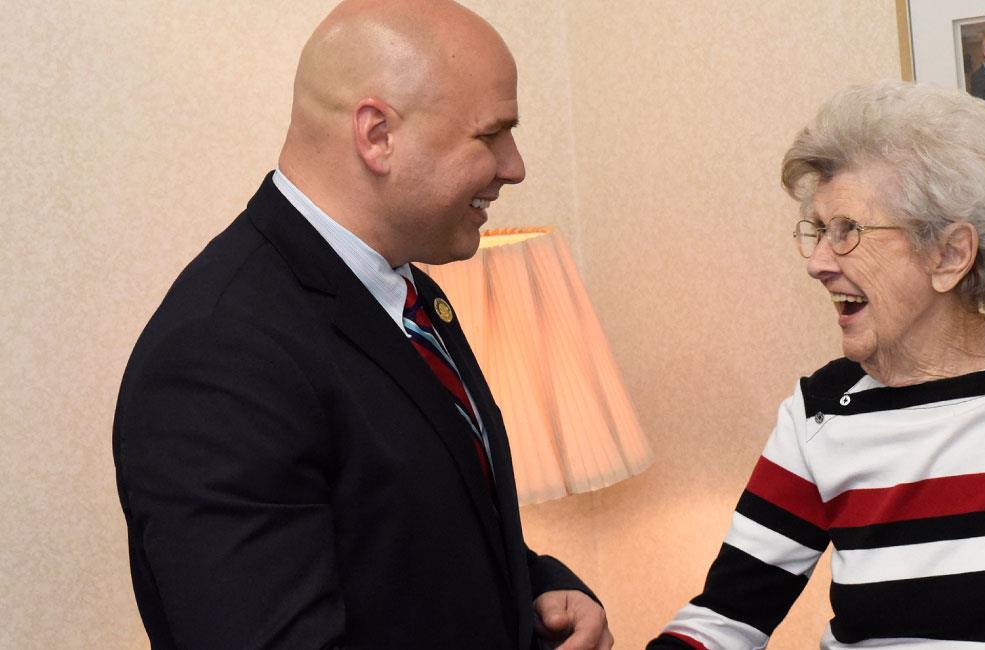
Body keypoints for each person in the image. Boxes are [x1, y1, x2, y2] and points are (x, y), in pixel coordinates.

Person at [112, 1, 612, 648]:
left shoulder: (406, 294)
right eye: (491, 135)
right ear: (377, 135)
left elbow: (411, 527)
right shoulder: (220, 355)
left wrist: (538, 583)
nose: (514, 166)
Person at [648, 81, 985, 649]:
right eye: (817, 231)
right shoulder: (820, 415)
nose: (817, 263)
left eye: (848, 233)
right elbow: (724, 619)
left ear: (950, 254)